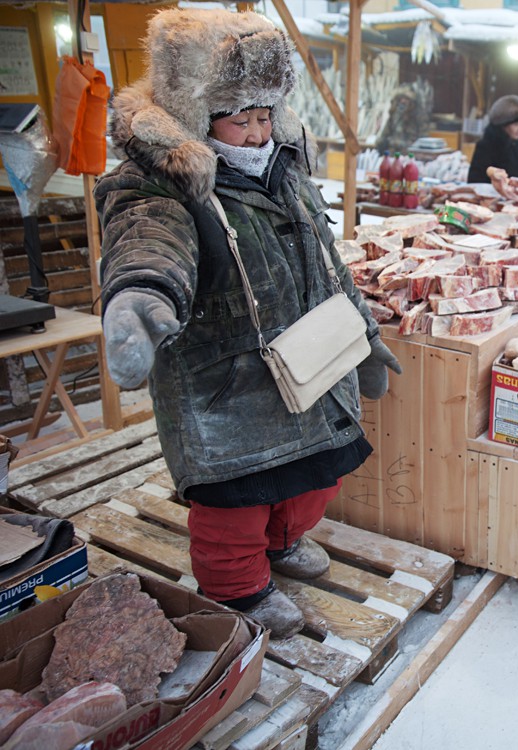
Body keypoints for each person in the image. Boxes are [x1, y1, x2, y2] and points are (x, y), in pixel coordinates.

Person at [95, 8, 401, 639]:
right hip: (226, 377)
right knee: (237, 500)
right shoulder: (158, 182)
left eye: (266, 116)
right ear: (198, 118)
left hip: (311, 363)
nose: (260, 133)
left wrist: (365, 339)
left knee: (312, 477)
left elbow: (326, 258)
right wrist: (142, 294)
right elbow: (148, 239)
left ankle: (283, 544)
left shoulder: (285, 166)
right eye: (242, 120)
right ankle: (239, 590)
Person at [467, 94, 518, 183]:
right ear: (503, 125)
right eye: (516, 124)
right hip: (492, 195)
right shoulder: (487, 147)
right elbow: (475, 180)